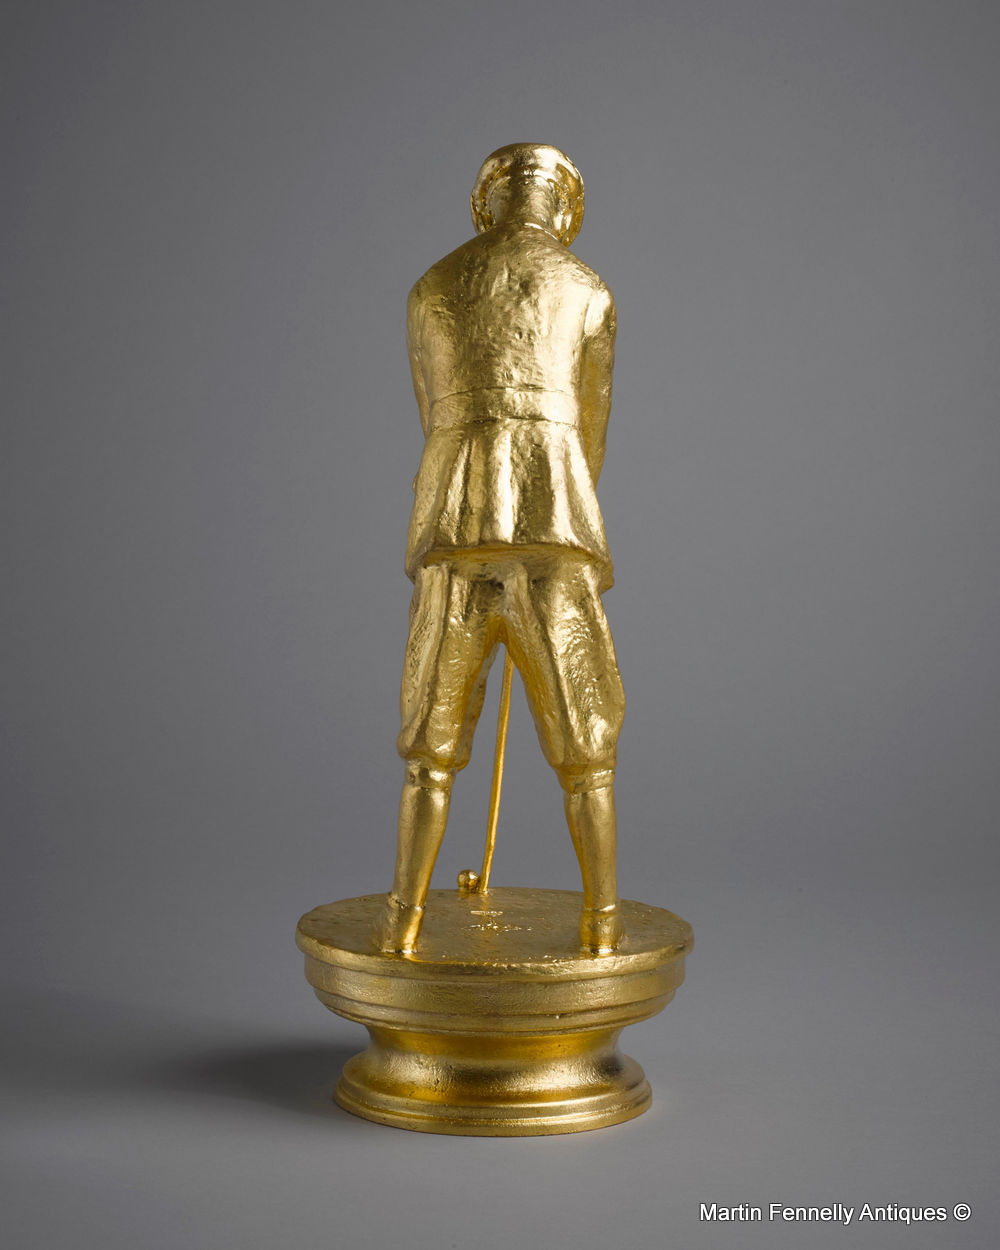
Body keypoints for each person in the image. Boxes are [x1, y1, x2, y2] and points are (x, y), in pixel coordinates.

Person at [374, 143, 626, 955]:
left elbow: (431, 412)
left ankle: (404, 919)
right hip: (555, 520)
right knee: (586, 749)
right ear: (564, 207)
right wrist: (549, 506)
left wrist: (480, 495)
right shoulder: (587, 287)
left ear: (485, 203)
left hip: (455, 520)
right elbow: (591, 427)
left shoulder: (432, 285)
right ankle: (601, 922)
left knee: (430, 748)